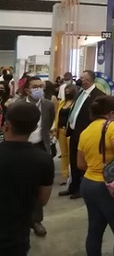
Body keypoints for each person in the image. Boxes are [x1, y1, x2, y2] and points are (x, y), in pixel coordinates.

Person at [77, 96, 114, 256]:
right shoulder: (112, 127)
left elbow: (80, 164)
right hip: (110, 187)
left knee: (94, 230)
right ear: (110, 113)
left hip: (88, 183)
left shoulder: (86, 131)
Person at [0, 102, 54, 256]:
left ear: (7, 125)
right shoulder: (43, 160)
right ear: (34, 128)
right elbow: (42, 199)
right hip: (17, 236)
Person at [15, 76, 56, 237]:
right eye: (35, 86)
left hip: (40, 146)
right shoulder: (17, 106)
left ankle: (36, 220)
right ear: (27, 90)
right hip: (21, 146)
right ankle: (18, 217)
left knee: (38, 184)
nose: (39, 89)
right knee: (18, 183)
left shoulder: (47, 105)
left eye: (41, 86)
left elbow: (49, 121)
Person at [62, 70, 105, 198]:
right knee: (73, 160)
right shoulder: (80, 92)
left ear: (90, 80)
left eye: (83, 78)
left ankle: (80, 188)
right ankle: (73, 186)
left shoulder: (98, 95)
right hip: (74, 132)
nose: (80, 80)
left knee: (82, 162)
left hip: (86, 132)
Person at [55, 84, 79, 185]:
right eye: (66, 90)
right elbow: (57, 116)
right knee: (64, 154)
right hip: (60, 130)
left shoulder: (76, 104)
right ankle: (64, 176)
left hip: (70, 132)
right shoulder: (61, 103)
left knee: (72, 154)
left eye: (69, 89)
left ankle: (72, 174)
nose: (67, 91)